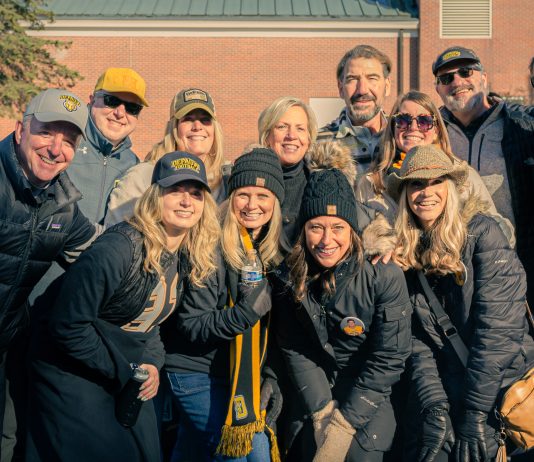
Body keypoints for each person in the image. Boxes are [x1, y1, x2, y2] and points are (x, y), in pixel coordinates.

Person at [26, 151, 220, 461]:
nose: (186, 201)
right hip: (67, 363)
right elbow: (67, 327)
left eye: (196, 193)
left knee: (147, 452)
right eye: (175, 191)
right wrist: (127, 369)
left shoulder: (186, 255)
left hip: (121, 365)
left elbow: (152, 322)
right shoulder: (118, 249)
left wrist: (153, 364)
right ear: (156, 197)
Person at [388, 144, 534, 462]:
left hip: (499, 391)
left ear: (451, 188)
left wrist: (474, 415)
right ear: (405, 194)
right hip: (446, 390)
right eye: (416, 183)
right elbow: (417, 341)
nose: (427, 192)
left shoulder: (484, 235)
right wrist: (435, 405)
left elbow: (498, 336)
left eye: (436, 181)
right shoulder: (405, 253)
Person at [271, 156, 412, 462]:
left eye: (337, 227)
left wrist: (344, 425)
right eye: (316, 227)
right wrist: (323, 414)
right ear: (303, 229)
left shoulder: (384, 274)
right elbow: (294, 348)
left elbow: (390, 357)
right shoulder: (288, 275)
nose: (326, 239)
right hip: (313, 394)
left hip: (366, 398)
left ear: (352, 229)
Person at [163, 147, 284, 462]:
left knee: (207, 452)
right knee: (243, 455)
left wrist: (269, 374)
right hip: (195, 370)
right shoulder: (210, 245)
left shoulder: (270, 251)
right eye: (244, 194)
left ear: (276, 203)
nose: (252, 205)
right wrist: (245, 314)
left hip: (238, 372)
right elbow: (191, 325)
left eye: (263, 196)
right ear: (231, 197)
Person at [0, 88, 97, 460]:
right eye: (45, 133)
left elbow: (101, 259)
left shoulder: (63, 208)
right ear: (20, 130)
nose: (56, 149)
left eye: (68, 140)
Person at [432, 46, 534, 306]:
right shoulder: (429, 133)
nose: (457, 82)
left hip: (518, 262)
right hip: (453, 267)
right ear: (438, 90)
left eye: (466, 72)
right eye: (446, 78)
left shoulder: (520, 125)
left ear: (484, 78)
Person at [354, 90, 514, 244]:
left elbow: (499, 236)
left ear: (437, 130)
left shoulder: (462, 174)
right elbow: (358, 239)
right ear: (393, 127)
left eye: (424, 121)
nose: (413, 127)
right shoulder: (370, 183)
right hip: (397, 269)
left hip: (452, 267)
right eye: (403, 120)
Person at [105, 87, 227, 226]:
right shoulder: (143, 176)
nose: (197, 126)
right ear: (173, 127)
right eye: (188, 119)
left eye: (205, 120)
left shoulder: (225, 179)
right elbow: (114, 231)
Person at [317, 44, 392, 174]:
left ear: (387, 86)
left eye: (372, 78)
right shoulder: (319, 144)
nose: (362, 89)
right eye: (352, 79)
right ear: (341, 89)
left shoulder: (404, 137)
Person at [258, 96, 318, 250]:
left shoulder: (321, 183)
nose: (291, 135)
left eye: (300, 128)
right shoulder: (247, 182)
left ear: (309, 139)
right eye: (282, 127)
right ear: (266, 137)